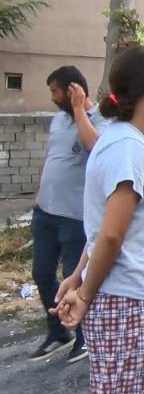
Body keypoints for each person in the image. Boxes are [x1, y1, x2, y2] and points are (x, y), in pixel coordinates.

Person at [51, 45, 144, 394]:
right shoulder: (127, 148)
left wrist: (78, 277)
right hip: (124, 303)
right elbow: (111, 234)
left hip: (121, 298)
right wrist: (82, 293)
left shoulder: (118, 140)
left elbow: (103, 228)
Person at [29, 66, 106, 363]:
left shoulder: (100, 120)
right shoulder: (58, 121)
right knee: (41, 272)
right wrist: (38, 192)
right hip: (45, 211)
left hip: (75, 216)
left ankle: (84, 339)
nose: (52, 97)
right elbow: (51, 157)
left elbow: (95, 148)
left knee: (75, 278)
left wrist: (79, 109)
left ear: (73, 89)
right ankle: (59, 331)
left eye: (55, 91)